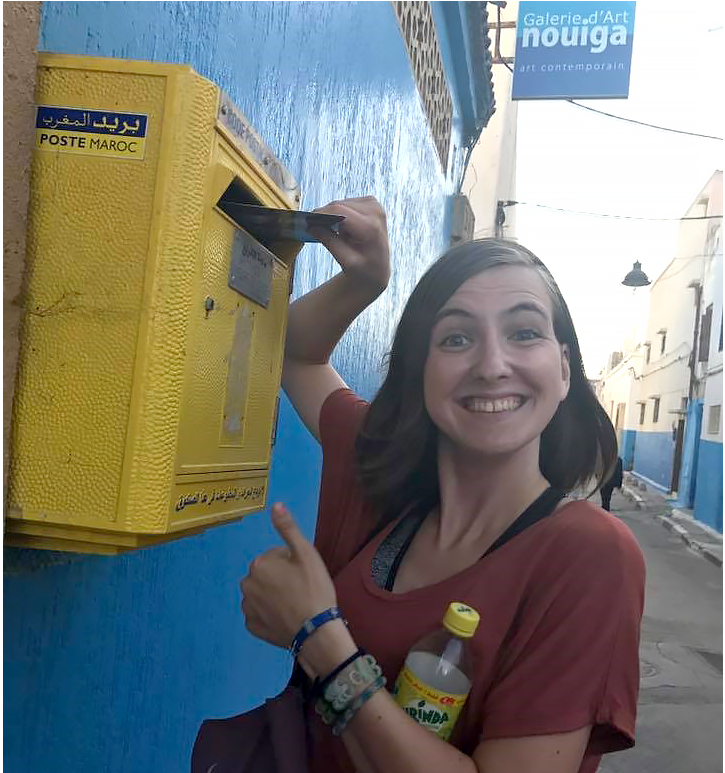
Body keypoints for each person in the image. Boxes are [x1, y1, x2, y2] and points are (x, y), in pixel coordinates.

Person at [240, 197, 646, 773]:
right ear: (422, 371)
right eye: (455, 339)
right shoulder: (381, 472)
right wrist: (364, 282)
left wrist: (318, 639)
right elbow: (300, 354)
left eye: (524, 332)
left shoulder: (590, 554)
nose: (491, 364)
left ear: (563, 368)